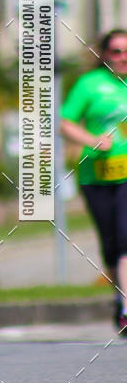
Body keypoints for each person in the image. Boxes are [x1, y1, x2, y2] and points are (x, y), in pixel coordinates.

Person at [60, 29, 127, 334]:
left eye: (126, 51)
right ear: (105, 55)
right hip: (96, 176)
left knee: (125, 238)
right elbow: (65, 122)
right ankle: (119, 296)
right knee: (110, 244)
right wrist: (91, 140)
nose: (122, 57)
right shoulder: (89, 84)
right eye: (116, 51)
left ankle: (126, 308)